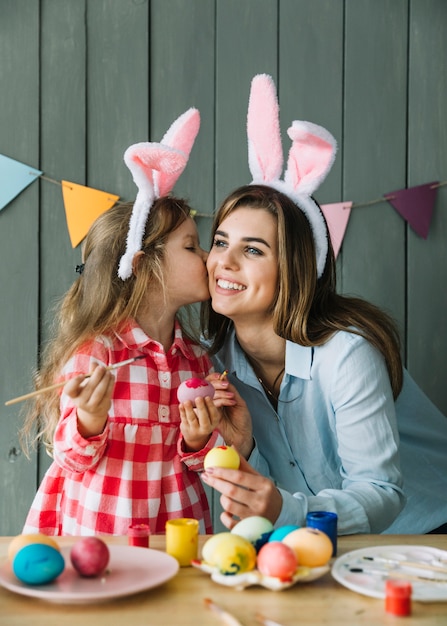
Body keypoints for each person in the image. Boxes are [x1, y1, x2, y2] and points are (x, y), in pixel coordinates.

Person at [200, 74, 447, 535]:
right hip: (322, 545)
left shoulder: (347, 353)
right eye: (219, 242)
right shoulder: (216, 367)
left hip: (428, 534)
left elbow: (381, 491)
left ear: (294, 268)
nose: (223, 262)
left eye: (253, 249)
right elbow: (274, 497)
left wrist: (284, 514)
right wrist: (246, 450)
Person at [21, 108, 236, 536]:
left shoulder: (195, 362)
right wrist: (89, 418)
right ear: (143, 265)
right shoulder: (96, 354)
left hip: (176, 535)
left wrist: (199, 439)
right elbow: (70, 458)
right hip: (102, 538)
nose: (209, 259)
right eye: (192, 247)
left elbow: (204, 466)